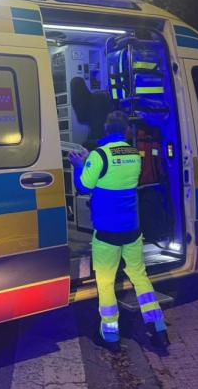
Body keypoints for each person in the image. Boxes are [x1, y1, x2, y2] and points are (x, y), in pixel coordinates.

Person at [68, 110, 170, 350]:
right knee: (140, 277)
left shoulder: (99, 155)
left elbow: (84, 186)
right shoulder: (134, 154)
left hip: (107, 232)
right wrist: (91, 160)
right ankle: (158, 328)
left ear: (105, 130)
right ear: (125, 131)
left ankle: (110, 335)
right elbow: (115, 173)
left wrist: (79, 164)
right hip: (131, 229)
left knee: (105, 282)